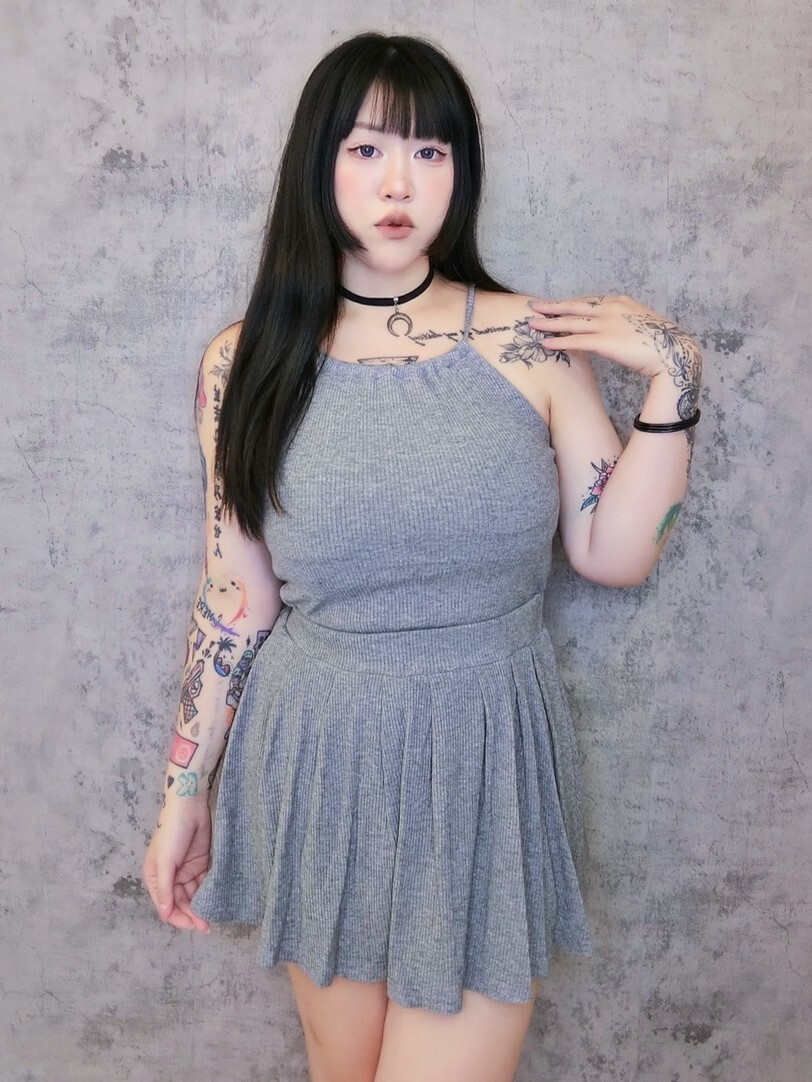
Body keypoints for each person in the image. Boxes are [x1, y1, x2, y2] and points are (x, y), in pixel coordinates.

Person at [142, 30, 702, 1082]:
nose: (397, 182)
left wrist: (673, 377)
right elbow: (235, 597)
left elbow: (614, 550)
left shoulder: (529, 341)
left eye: (428, 151)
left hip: (486, 756)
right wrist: (185, 792)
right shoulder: (244, 361)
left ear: (460, 171)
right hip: (317, 759)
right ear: (317, 164)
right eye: (364, 149)